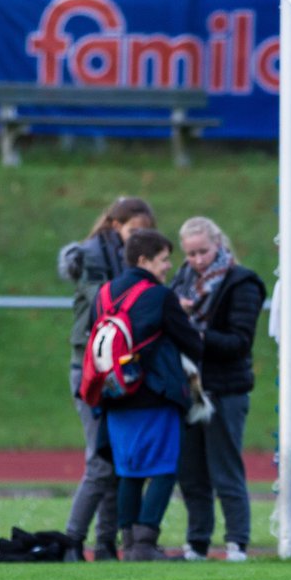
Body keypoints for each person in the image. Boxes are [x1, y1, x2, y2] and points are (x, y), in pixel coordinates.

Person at [94, 229, 203, 561]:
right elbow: (191, 343)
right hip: (154, 393)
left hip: (114, 392)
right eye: (163, 260)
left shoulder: (105, 293)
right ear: (144, 260)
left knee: (129, 470)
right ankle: (145, 542)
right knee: (164, 467)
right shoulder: (159, 296)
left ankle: (129, 542)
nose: (168, 266)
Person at [57, 196, 156, 562]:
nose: (139, 238)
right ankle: (72, 540)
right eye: (134, 231)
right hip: (91, 369)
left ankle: (103, 545)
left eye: (145, 233)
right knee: (100, 461)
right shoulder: (93, 258)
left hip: (115, 367)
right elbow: (105, 303)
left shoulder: (124, 260)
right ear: (116, 226)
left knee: (115, 459)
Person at [170, 217, 266, 563]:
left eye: (202, 251)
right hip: (188, 388)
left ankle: (237, 543)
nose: (196, 259)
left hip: (225, 389)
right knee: (191, 472)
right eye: (190, 253)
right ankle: (196, 543)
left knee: (225, 469)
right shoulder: (181, 282)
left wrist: (195, 337)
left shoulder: (242, 282)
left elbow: (240, 342)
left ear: (218, 245)